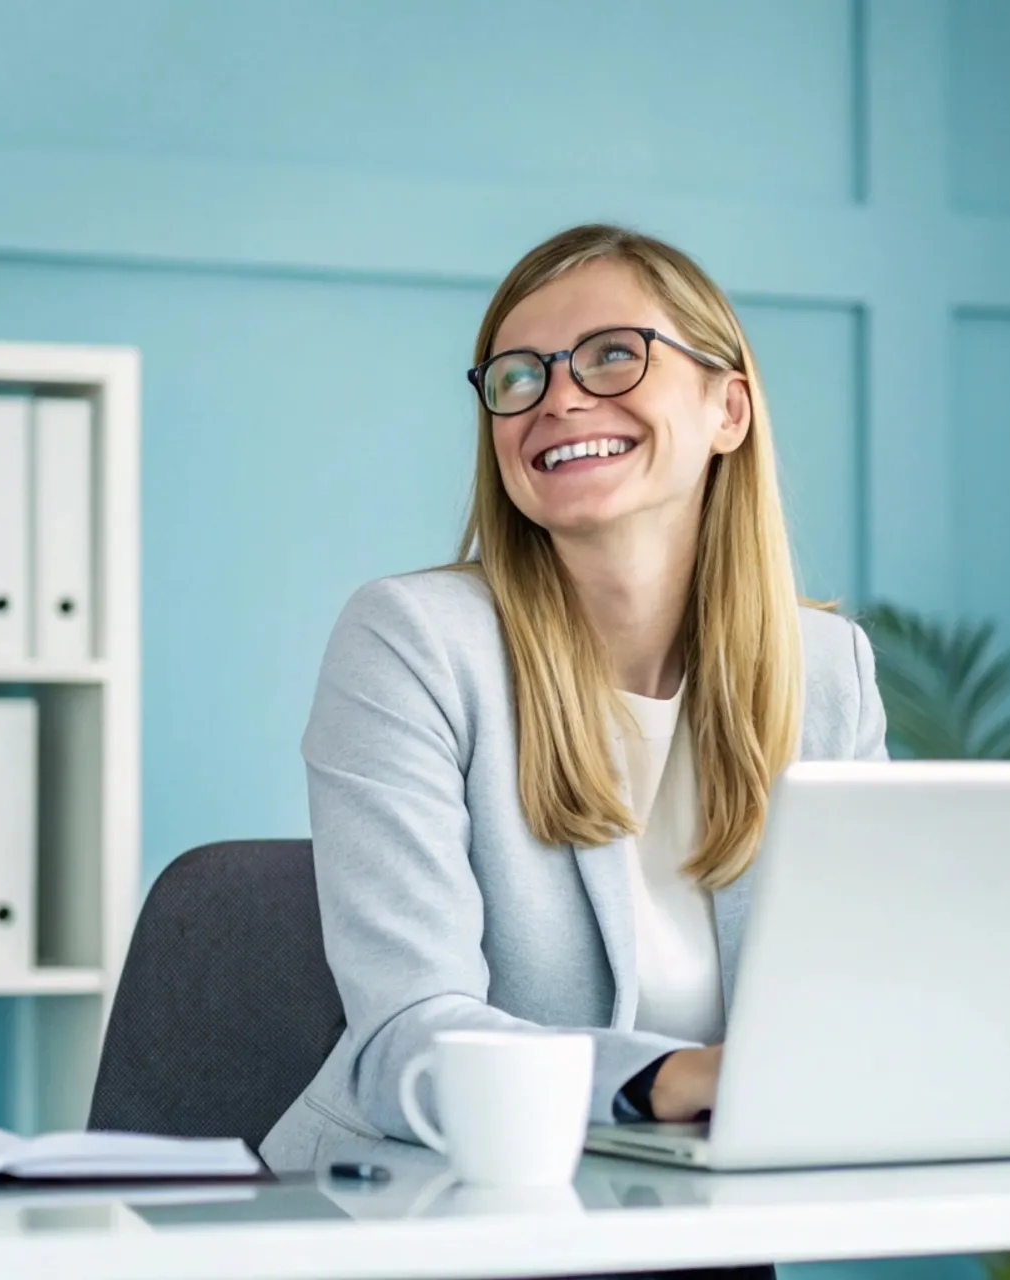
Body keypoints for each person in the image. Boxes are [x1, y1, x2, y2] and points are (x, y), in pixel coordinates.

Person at [260, 223, 888, 1180]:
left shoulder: (829, 671)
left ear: (728, 409)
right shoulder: (412, 641)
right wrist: (672, 1077)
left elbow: (869, 989)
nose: (557, 398)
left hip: (705, 1209)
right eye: (518, 375)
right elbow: (408, 1036)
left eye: (612, 355)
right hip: (410, 1210)